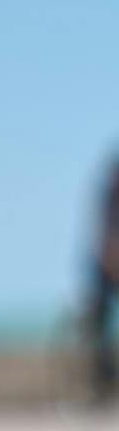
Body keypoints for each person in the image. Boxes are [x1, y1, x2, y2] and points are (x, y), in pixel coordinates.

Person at [88, 154, 119, 408]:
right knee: (98, 320)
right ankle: (101, 378)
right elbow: (104, 231)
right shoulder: (110, 188)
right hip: (105, 263)